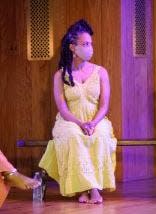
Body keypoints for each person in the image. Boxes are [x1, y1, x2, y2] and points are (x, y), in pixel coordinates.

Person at [38, 19, 117, 204]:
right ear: (73, 47)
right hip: (70, 120)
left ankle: (94, 188)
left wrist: (93, 123)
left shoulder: (101, 72)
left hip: (95, 119)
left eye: (91, 44)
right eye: (85, 44)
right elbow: (62, 108)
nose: (90, 48)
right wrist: (80, 124)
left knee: (101, 134)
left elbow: (104, 105)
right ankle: (81, 189)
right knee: (73, 135)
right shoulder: (60, 75)